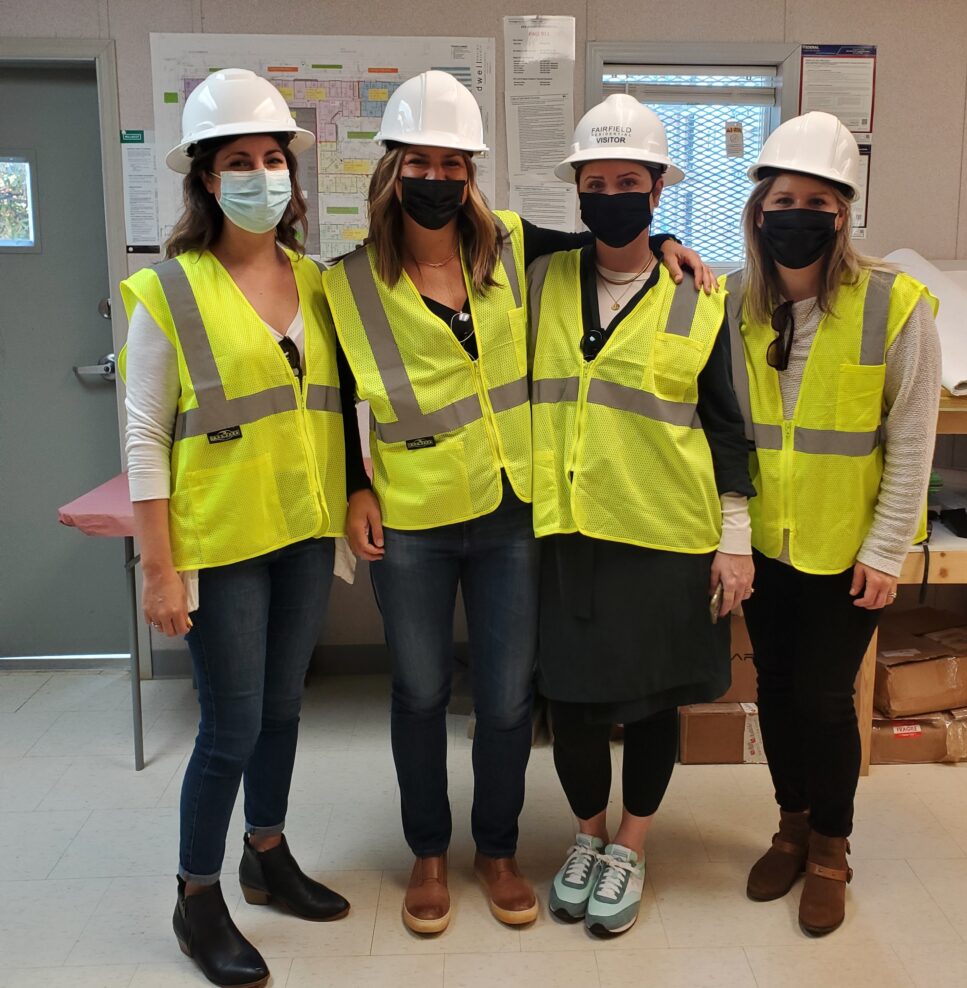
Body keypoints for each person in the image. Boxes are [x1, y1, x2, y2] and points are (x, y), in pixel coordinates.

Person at [322, 71, 711, 936]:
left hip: (511, 512)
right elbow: (330, 395)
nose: (438, 179)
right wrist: (353, 486)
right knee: (420, 692)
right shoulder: (344, 283)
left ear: (473, 174)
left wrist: (676, 237)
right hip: (413, 515)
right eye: (419, 162)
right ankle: (429, 852)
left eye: (455, 164)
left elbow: (613, 240)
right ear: (390, 170)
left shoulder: (512, 248)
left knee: (504, 699)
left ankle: (495, 851)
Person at [120, 68, 358, 988]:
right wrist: (158, 569)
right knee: (230, 724)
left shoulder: (319, 284)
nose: (261, 175)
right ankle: (196, 896)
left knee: (285, 708)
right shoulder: (168, 292)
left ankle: (267, 853)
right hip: (219, 542)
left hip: (302, 530)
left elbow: (339, 406)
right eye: (238, 161)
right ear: (207, 180)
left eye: (272, 158)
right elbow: (145, 436)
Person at [529, 93, 756, 937]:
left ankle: (631, 843)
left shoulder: (705, 296)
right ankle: (586, 836)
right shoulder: (541, 277)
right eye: (597, 180)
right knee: (577, 701)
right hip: (572, 532)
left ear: (659, 189)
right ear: (578, 190)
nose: (612, 194)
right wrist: (659, 246)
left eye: (631, 180)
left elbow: (729, 429)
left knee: (656, 705)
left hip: (667, 534)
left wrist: (735, 542)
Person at [726, 111, 941, 935]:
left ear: (843, 213)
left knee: (824, 697)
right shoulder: (735, 305)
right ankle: (790, 824)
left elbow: (913, 434)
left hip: (849, 551)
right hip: (767, 548)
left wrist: (889, 549)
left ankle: (832, 848)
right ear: (758, 209)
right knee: (774, 692)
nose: (798, 213)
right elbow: (729, 432)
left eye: (818, 199)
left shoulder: (895, 303)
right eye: (784, 197)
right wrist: (734, 538)